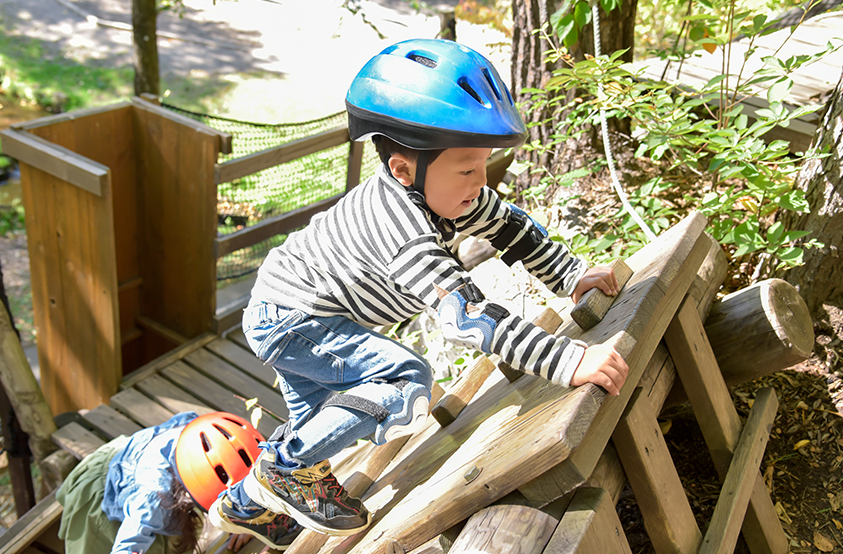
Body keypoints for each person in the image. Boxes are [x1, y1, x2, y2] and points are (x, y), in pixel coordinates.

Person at [211, 37, 629, 538]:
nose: (482, 182)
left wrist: (570, 276)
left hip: (301, 305)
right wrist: (567, 361)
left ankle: (243, 506)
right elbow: (466, 314)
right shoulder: (400, 227)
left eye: (484, 165)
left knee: (318, 429)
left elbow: (512, 228)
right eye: (468, 168)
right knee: (404, 379)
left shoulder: (449, 195)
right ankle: (281, 472)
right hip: (292, 315)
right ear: (404, 169)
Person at [56, 411, 302, 553]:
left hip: (141, 460)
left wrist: (251, 522)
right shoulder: (152, 500)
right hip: (103, 496)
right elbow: (128, 546)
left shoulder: (213, 436)